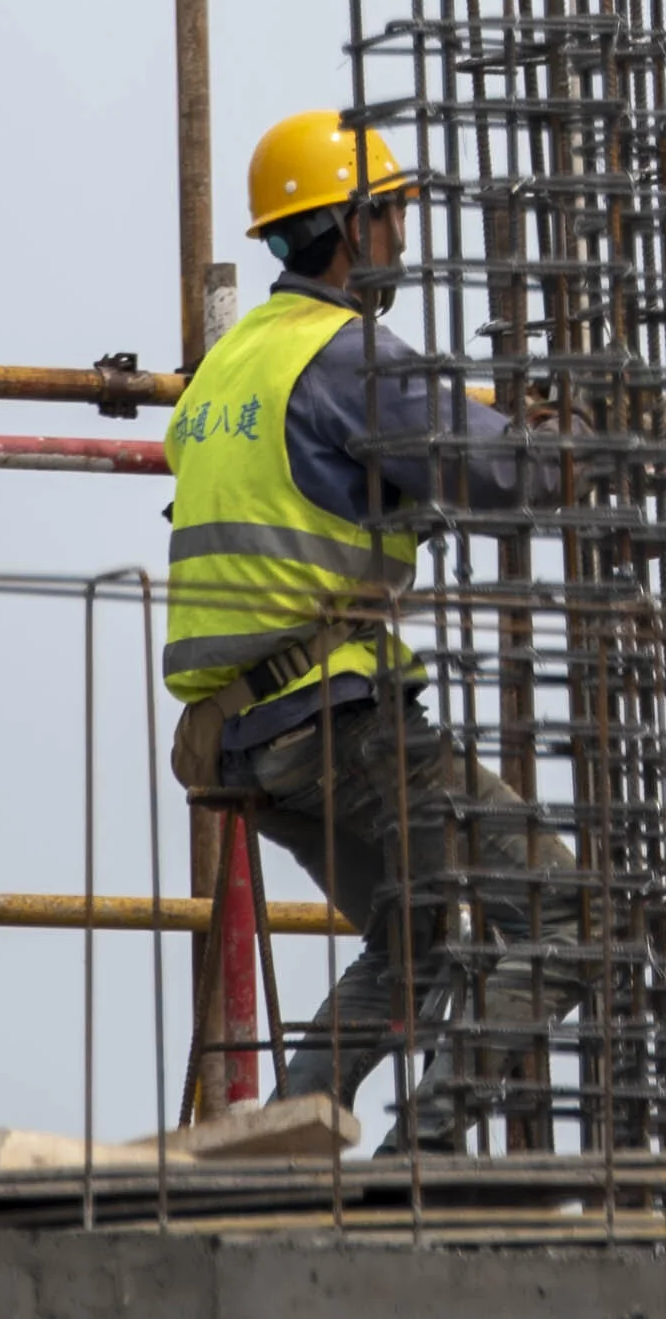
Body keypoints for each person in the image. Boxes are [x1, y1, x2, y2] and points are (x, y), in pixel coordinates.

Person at [165, 107, 580, 1154]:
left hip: (249, 736)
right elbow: (502, 473)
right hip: (346, 722)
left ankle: (277, 1154)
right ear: (349, 227)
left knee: (414, 945)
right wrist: (580, 434)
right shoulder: (346, 355)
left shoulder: (231, 365)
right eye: (392, 216)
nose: (401, 237)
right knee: (578, 919)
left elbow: (314, 501)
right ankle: (422, 1160)